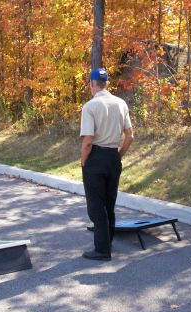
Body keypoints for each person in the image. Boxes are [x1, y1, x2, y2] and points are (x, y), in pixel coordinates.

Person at [80, 68, 134, 261]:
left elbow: (88, 140)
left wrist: (84, 161)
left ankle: (102, 250)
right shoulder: (121, 103)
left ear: (92, 84)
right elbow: (130, 135)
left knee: (96, 205)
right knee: (109, 202)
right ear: (107, 84)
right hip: (113, 156)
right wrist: (119, 155)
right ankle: (107, 240)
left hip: (96, 157)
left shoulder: (91, 106)